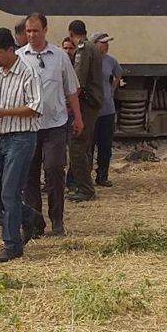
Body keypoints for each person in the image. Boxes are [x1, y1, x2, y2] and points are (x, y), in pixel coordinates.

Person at [18, 14, 83, 237]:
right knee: (30, 174)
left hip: (55, 124)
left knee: (54, 169)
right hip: (28, 126)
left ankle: (57, 219)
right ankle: (35, 223)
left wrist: (78, 117)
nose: (31, 35)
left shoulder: (60, 57)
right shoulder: (19, 57)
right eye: (28, 31)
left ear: (45, 30)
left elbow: (71, 90)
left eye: (35, 30)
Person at [0, 28, 43, 262]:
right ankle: (29, 217)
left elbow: (35, 107)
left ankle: (12, 244)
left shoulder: (29, 73)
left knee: (10, 191)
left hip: (21, 137)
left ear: (11, 50)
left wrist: (3, 112)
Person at [66, 20, 103, 202]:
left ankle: (85, 188)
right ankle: (85, 186)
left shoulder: (83, 49)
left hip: (86, 103)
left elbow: (78, 82)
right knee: (83, 145)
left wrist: (69, 104)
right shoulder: (92, 47)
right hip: (92, 102)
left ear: (71, 33)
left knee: (76, 145)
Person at [90, 32, 122, 187]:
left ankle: (102, 175)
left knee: (105, 145)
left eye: (107, 43)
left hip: (107, 109)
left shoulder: (111, 61)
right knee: (89, 145)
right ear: (95, 44)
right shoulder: (89, 60)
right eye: (103, 43)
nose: (106, 45)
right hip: (92, 110)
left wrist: (111, 90)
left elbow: (118, 74)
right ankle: (85, 176)